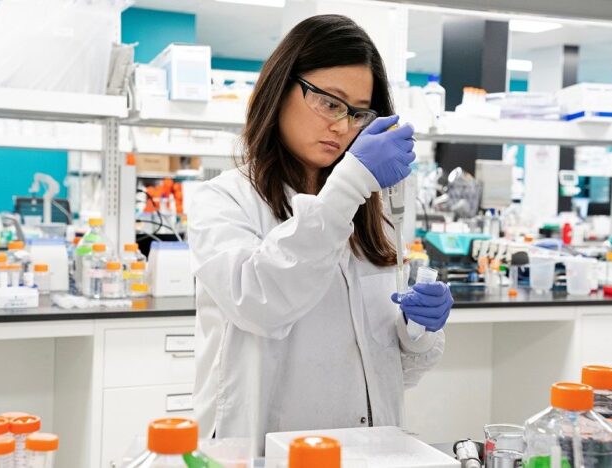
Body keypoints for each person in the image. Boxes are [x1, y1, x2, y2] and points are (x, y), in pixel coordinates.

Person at [188, 14, 454, 454]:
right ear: (280, 89)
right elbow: (262, 303)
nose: (343, 126)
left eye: (358, 113)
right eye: (330, 103)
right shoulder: (222, 200)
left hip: (365, 449)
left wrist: (417, 327)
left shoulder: (370, 213)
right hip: (266, 450)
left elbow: (390, 372)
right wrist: (351, 182)